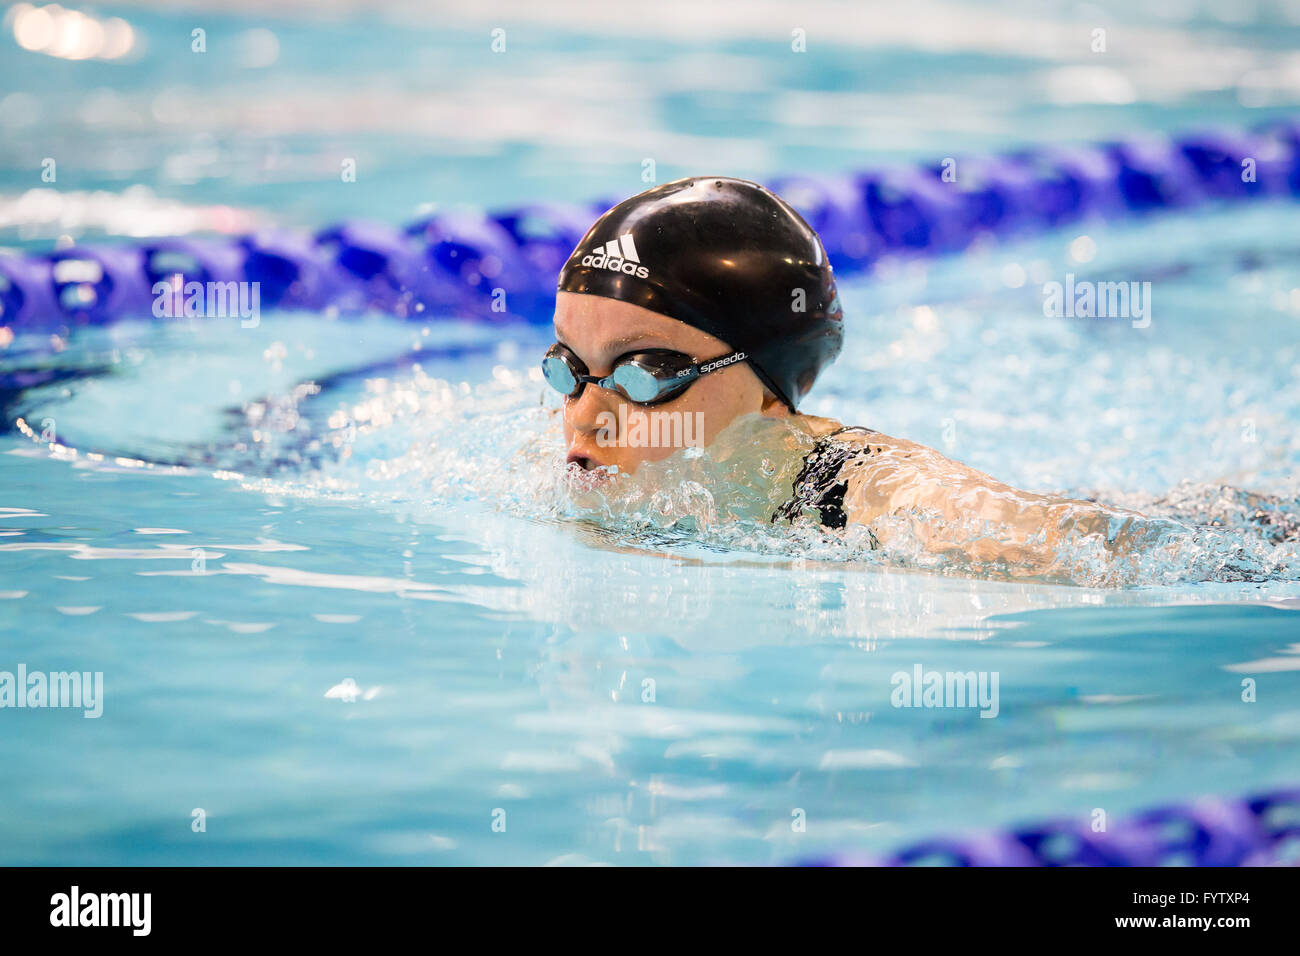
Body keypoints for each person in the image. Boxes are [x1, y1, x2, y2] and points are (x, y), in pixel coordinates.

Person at [542, 176, 1150, 574]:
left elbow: (1110, 550)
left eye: (645, 373)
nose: (585, 418)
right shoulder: (541, 462)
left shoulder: (858, 495)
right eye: (568, 367)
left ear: (768, 391)